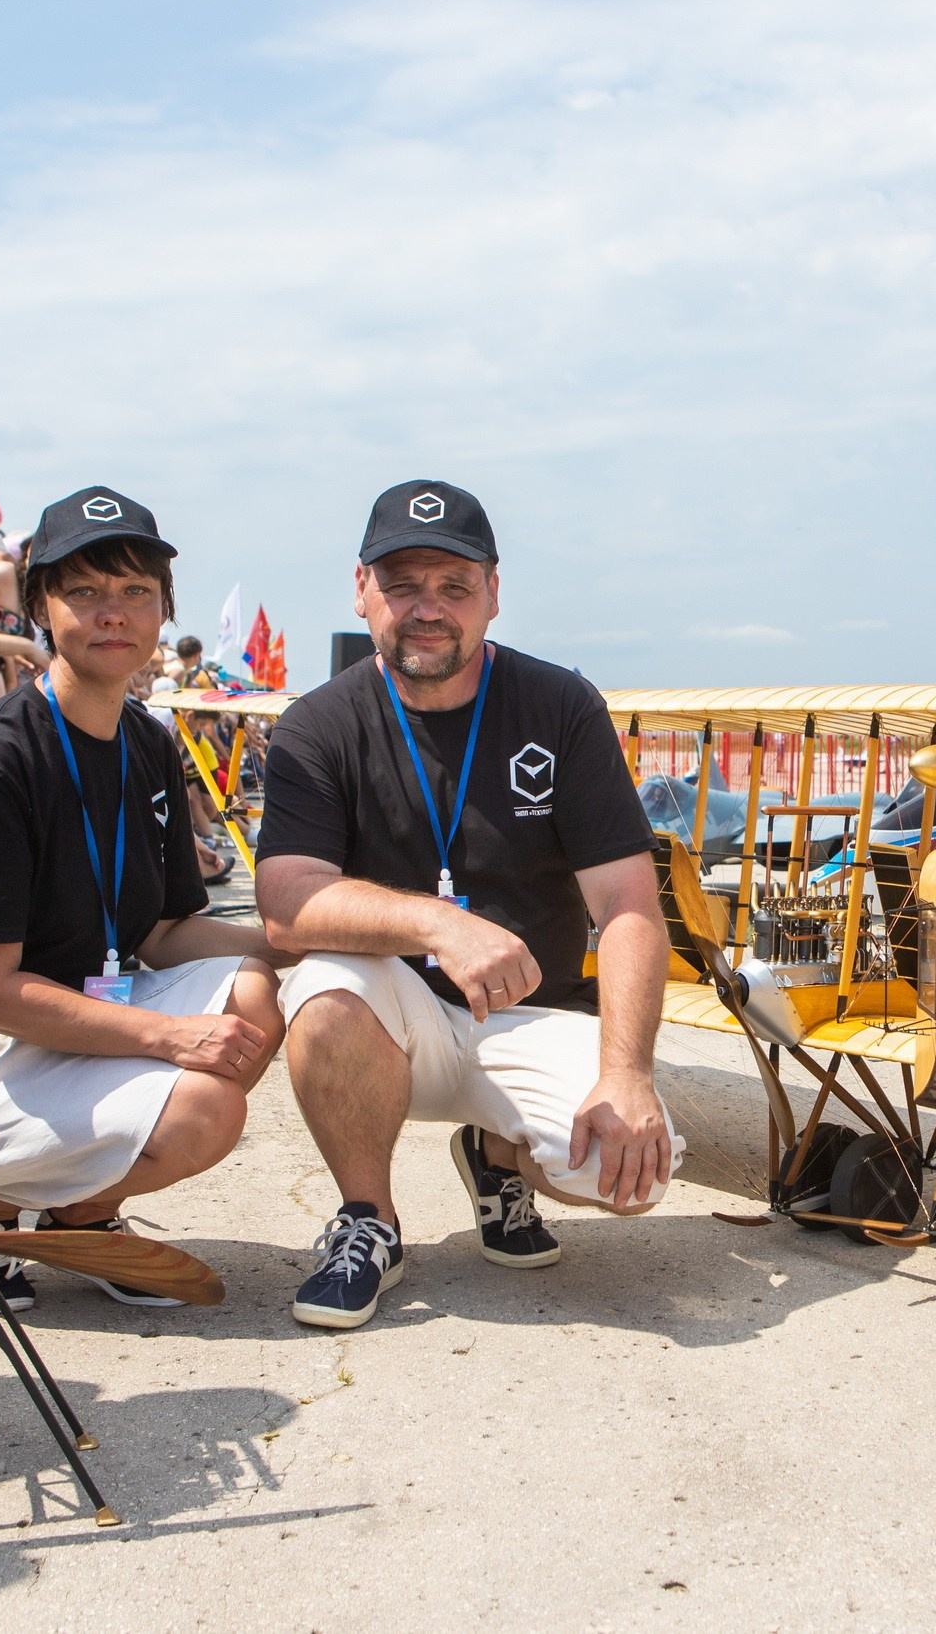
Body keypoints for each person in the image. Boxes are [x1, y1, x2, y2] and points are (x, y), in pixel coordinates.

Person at [256, 480, 675, 1331]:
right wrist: (438, 921)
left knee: (630, 1178)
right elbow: (285, 904)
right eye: (403, 584)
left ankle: (496, 1156)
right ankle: (368, 1218)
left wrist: (626, 1074)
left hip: (529, 1006)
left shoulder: (559, 706)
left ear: (493, 592)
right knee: (322, 984)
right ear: (362, 588)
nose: (428, 608)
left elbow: (628, 901)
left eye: (453, 586)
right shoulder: (318, 722)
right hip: (395, 1013)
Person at [0, 486, 286, 1308]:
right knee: (203, 1107)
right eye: (84, 591)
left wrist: (289, 942)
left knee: (258, 994)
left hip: (75, 1023)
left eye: (135, 593)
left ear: (160, 610)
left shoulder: (146, 740)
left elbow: (161, 931)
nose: (113, 613)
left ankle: (75, 1219)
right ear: (41, 604)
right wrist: (167, 1036)